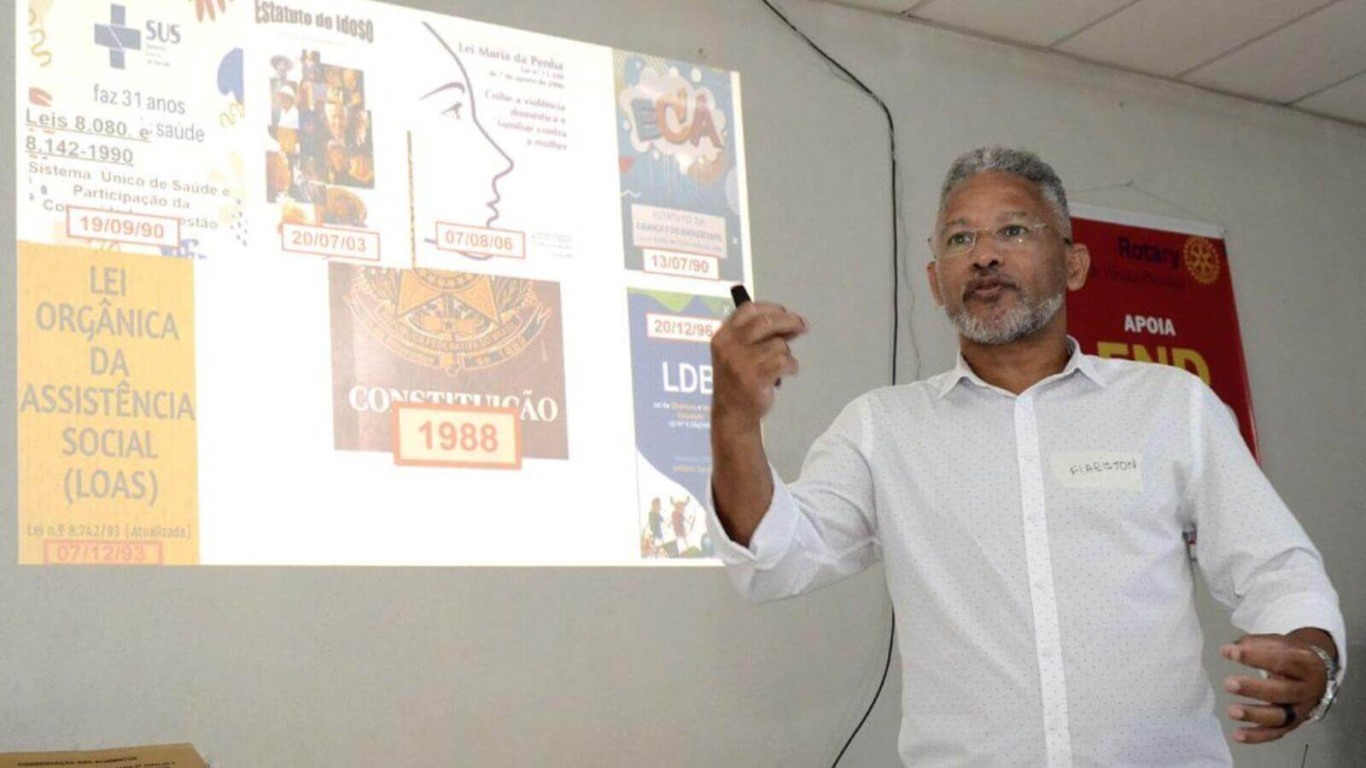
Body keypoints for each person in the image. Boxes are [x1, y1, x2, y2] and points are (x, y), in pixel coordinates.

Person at [706, 146, 1345, 766]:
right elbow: (775, 560)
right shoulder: (882, 429)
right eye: (959, 239)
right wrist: (733, 417)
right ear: (934, 282)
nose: (983, 255)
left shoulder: (1171, 405)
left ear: (1074, 263)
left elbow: (1276, 567)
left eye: (1013, 230)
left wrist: (1313, 656)